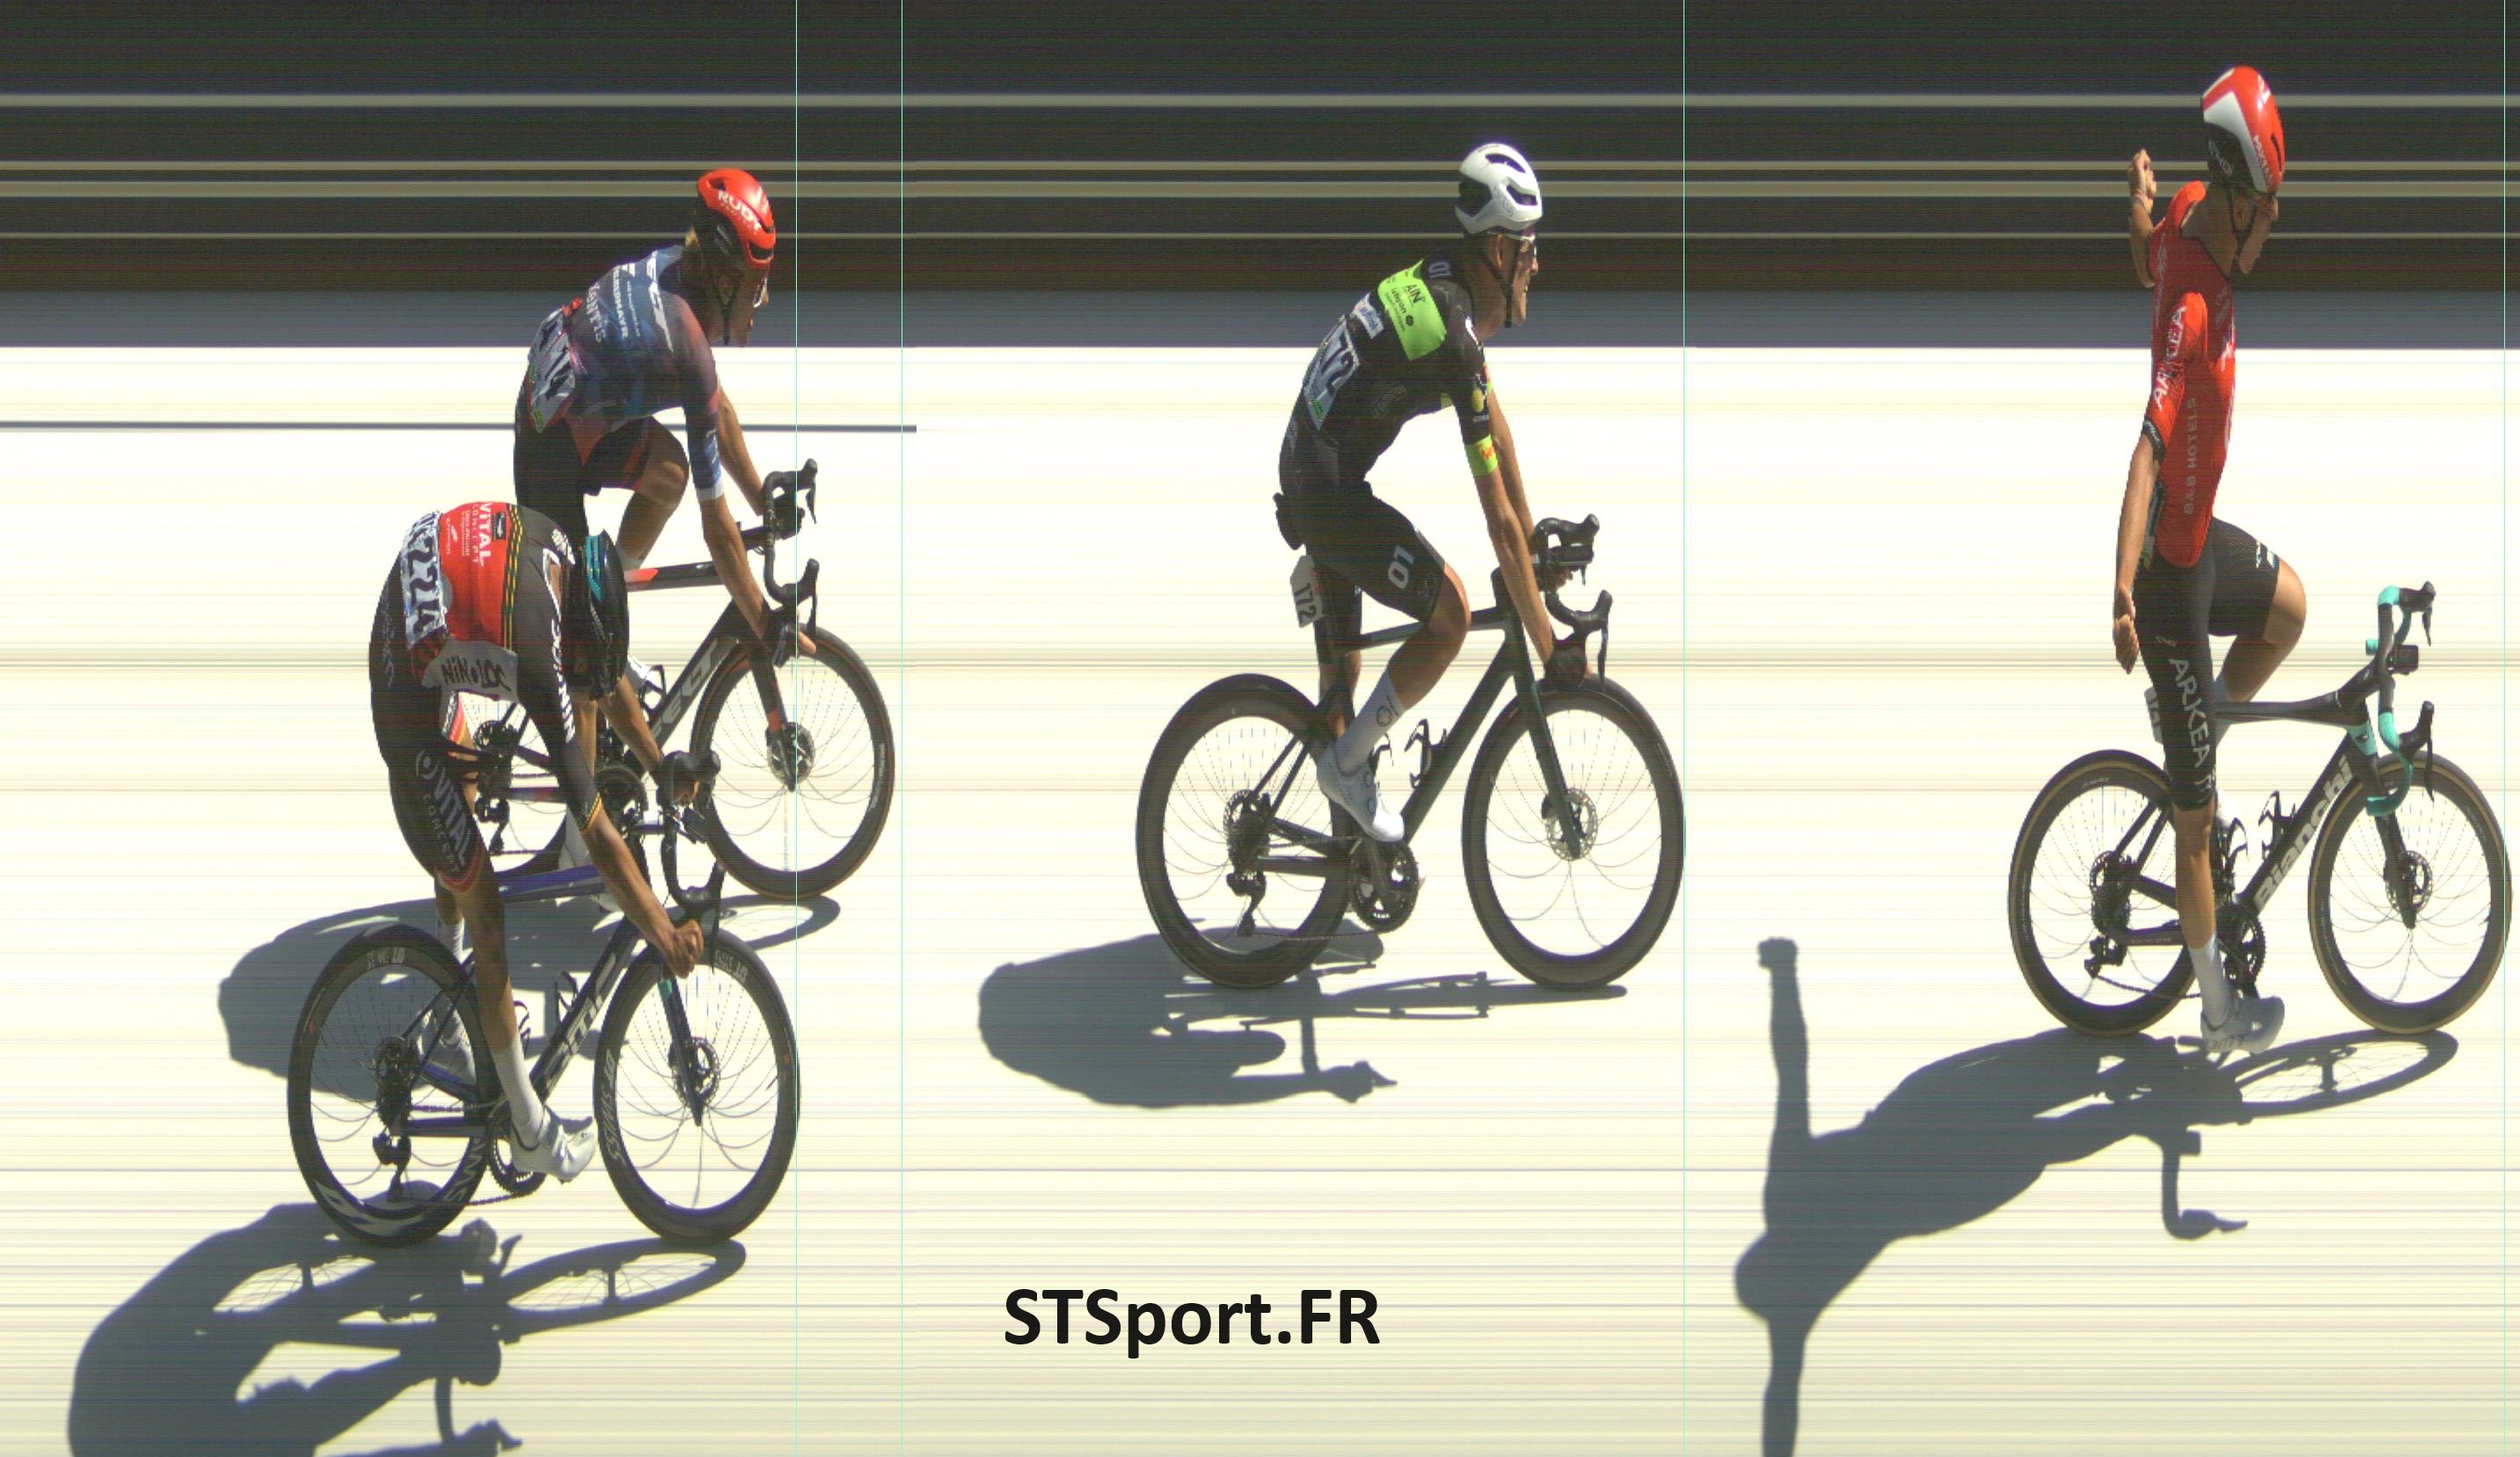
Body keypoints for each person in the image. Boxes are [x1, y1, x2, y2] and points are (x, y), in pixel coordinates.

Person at [369, 501, 704, 1178]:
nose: (584, 684)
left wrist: (658, 761)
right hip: (404, 688)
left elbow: (601, 677)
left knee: (462, 806)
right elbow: (598, 835)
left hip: (418, 610)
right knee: (486, 908)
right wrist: (663, 933)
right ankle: (528, 1129)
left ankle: (452, 998)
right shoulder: (542, 662)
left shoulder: (562, 554)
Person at [1275, 142, 1584, 841]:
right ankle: (1345, 768)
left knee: (1342, 689)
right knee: (1448, 614)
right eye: (1529, 248)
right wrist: (1548, 648)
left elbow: (1497, 432)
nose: (1537, 264)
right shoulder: (1452, 336)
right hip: (1323, 487)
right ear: (1498, 251)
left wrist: (1533, 543)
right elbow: (1495, 523)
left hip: (1313, 467)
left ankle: (1348, 855)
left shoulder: (1449, 292)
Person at [2112, 66, 2300, 1055]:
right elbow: (2146, 449)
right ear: (2234, 201)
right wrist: (2118, 592)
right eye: (2265, 213)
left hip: (2202, 532)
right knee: (2196, 825)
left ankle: (2200, 718)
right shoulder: (2191, 318)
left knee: (2290, 609)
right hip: (2166, 578)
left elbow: (2147, 250)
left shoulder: (2189, 211)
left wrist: (2137, 207)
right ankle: (2219, 1011)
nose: (2271, 229)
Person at [512, 166, 802, 796]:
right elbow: (717, 531)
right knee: (591, 664)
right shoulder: (683, 345)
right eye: (756, 287)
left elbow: (716, 408)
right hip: (549, 448)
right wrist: (763, 620)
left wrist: (761, 497)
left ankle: (607, 593)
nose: (763, 303)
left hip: (574, 407)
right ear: (724, 279)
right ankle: (590, 827)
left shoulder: (675, 271)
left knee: (668, 471)